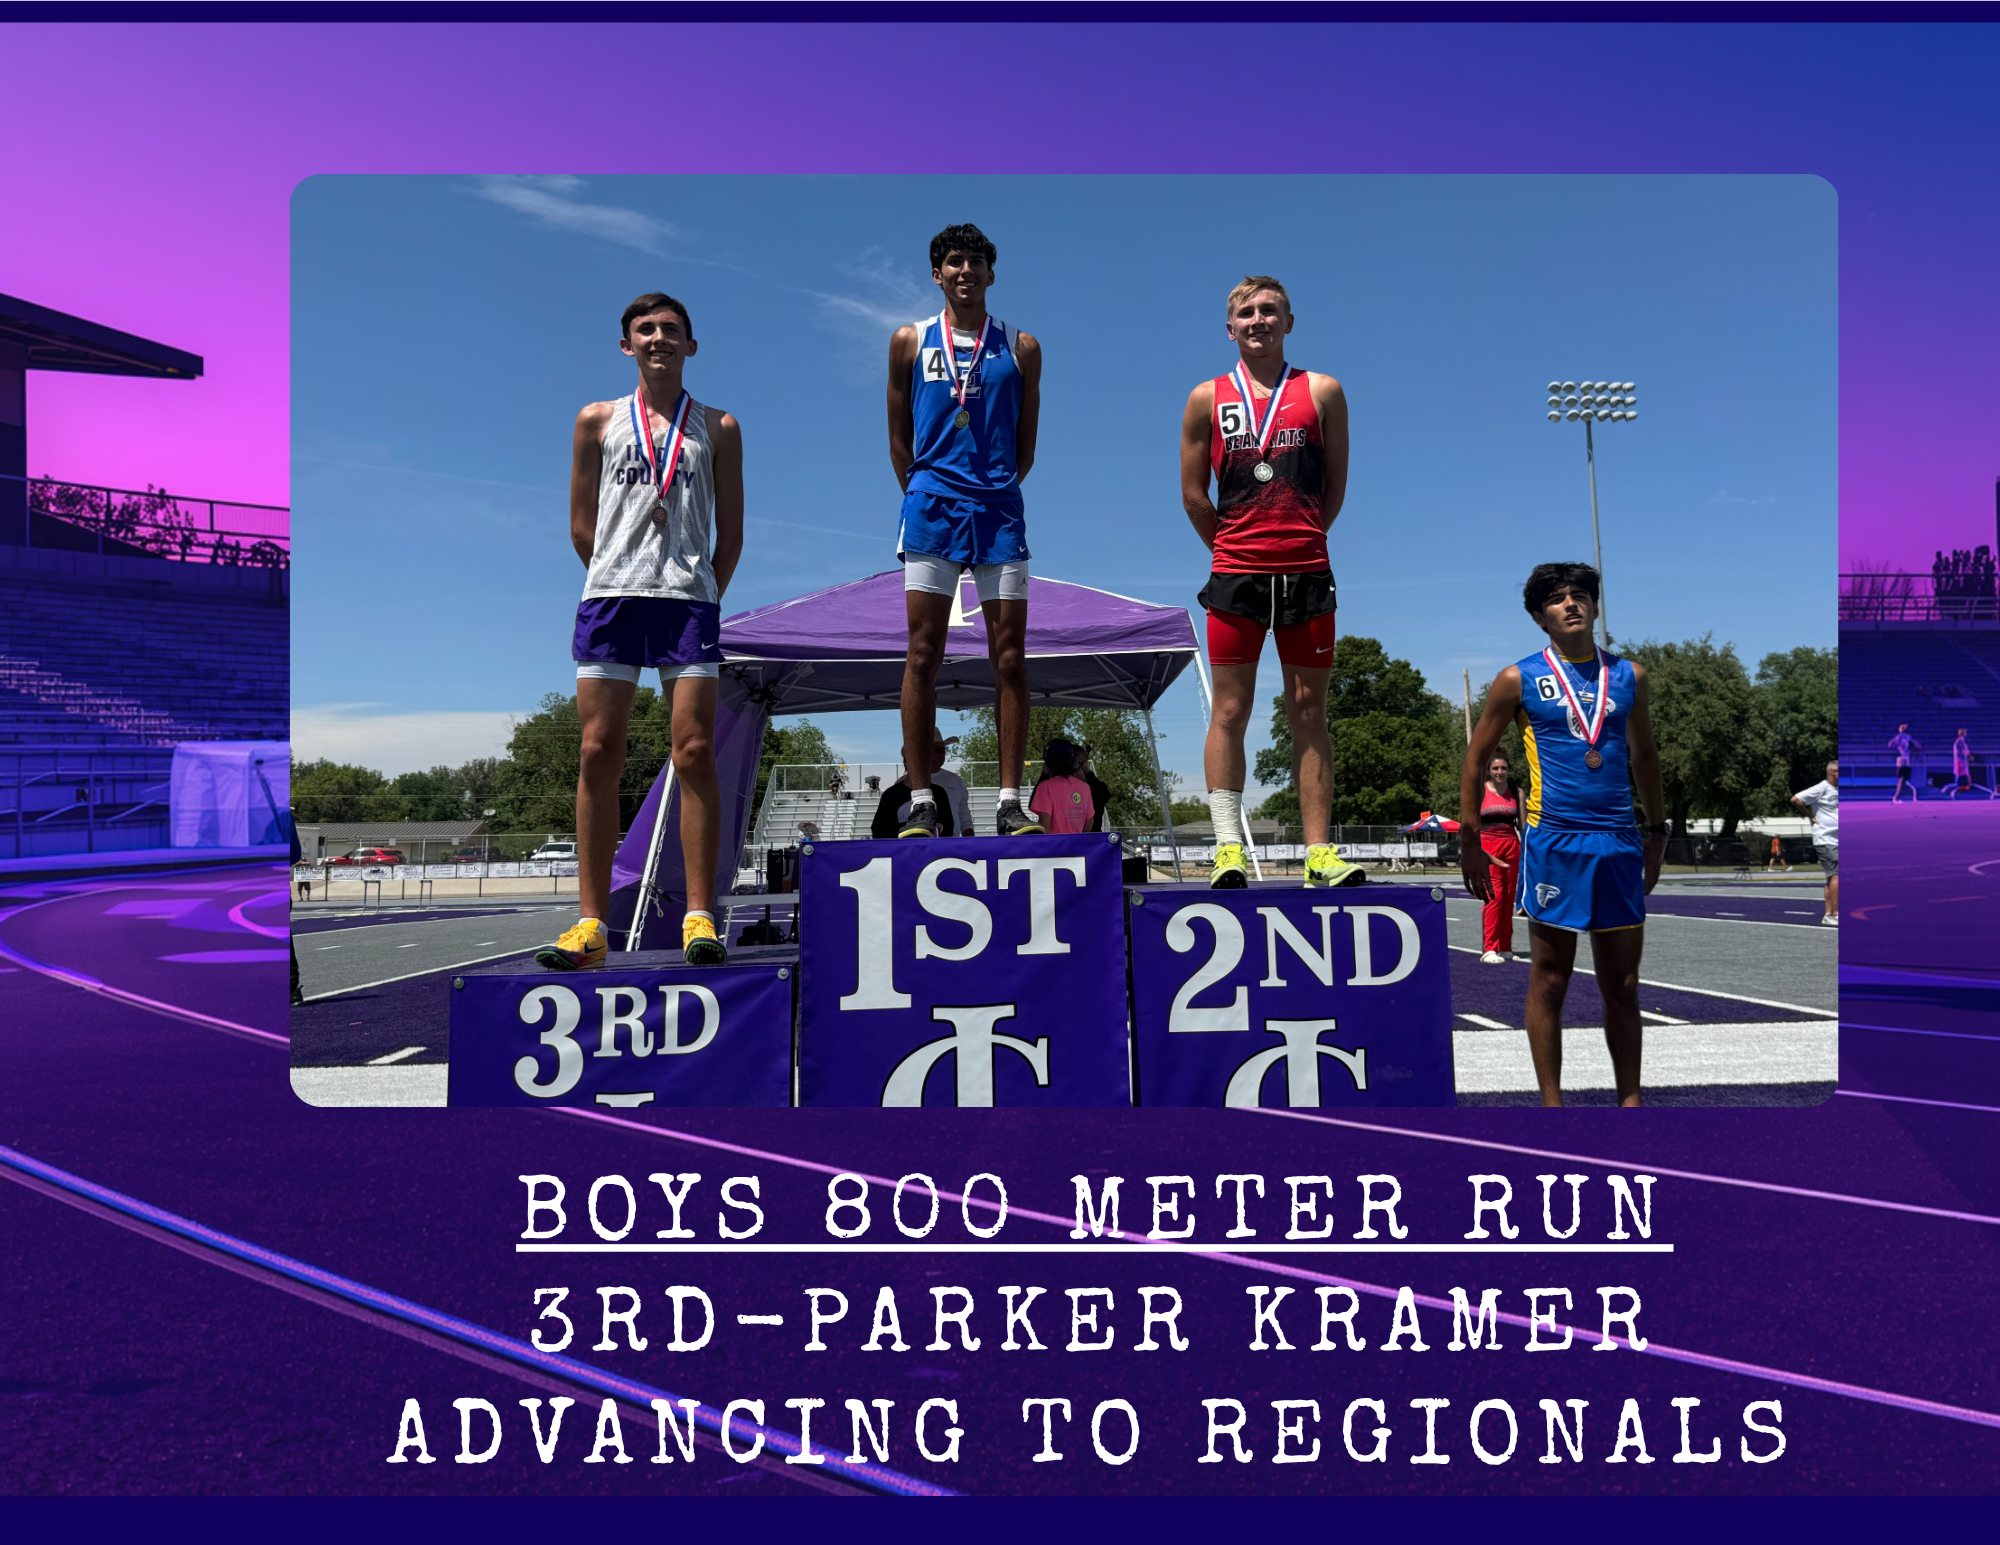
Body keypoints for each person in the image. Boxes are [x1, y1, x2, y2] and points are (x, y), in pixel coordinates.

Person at [537, 292, 744, 971]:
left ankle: (698, 915)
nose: (658, 338)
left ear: (691, 345)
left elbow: (732, 532)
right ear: (627, 345)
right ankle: (591, 923)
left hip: (686, 602)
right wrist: (618, 569)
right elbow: (579, 524)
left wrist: (699, 584)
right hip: (612, 598)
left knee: (693, 752)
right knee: (598, 749)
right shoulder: (596, 420)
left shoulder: (719, 425)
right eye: (645, 330)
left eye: (671, 330)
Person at [1460, 563, 1668, 1108]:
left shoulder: (1630, 676)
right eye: (1557, 599)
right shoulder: (1518, 678)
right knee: (1550, 980)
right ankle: (1553, 1108)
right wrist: (1469, 838)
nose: (1571, 603)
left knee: (1622, 986)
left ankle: (1631, 1105)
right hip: (1554, 842)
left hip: (1619, 841)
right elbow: (1477, 757)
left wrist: (1657, 828)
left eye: (1581, 595)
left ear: (1596, 607)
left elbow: (1645, 756)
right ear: (1539, 617)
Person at [1180, 275, 1363, 891]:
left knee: (1310, 712)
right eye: (1246, 313)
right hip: (1235, 574)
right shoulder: (1206, 397)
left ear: (1289, 321)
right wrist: (1235, 550)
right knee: (1230, 709)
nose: (1258, 320)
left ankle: (1318, 854)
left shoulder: (1323, 391)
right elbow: (1192, 495)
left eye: (1269, 310)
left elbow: (1333, 487)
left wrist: (1303, 537)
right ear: (1230, 328)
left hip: (1308, 571)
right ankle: (1228, 847)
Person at [889, 223, 1043, 839]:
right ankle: (921, 798)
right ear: (937, 274)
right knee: (923, 652)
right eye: (954, 262)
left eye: (976, 262)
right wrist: (925, 485)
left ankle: (1010, 801)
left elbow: (1026, 440)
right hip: (931, 504)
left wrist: (995, 481)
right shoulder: (910, 340)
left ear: (991, 274)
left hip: (1000, 507)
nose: (965, 271)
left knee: (1009, 657)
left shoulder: (1021, 346)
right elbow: (898, 435)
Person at [872, 729, 974, 840]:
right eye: (937, 749)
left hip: (944, 848)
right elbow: (880, 830)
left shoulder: (952, 784)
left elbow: (961, 819)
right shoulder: (893, 793)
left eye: (943, 749)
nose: (942, 754)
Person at [1475, 753, 1523, 963]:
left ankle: (1505, 947)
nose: (1499, 772)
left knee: (1509, 897)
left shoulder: (1517, 792)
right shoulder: (1480, 791)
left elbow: (1523, 824)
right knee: (1494, 896)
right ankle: (1489, 948)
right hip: (1488, 844)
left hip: (1512, 844)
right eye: (1495, 768)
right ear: (1489, 771)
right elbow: (1472, 823)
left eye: (1503, 768)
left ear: (1508, 770)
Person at [1792, 761, 1839, 925]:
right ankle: (1834, 914)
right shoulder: (1822, 787)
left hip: (1836, 838)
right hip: (1825, 838)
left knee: (1832, 877)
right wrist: (1810, 816)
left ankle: (1829, 914)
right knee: (1837, 875)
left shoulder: (1837, 790)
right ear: (1832, 772)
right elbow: (1796, 799)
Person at [1029, 737, 1095, 834]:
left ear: (1048, 763)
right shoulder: (1085, 787)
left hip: (1054, 847)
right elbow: (1088, 826)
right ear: (1073, 762)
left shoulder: (1045, 787)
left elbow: (1045, 828)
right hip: (1076, 847)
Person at [1076, 744, 1112, 834]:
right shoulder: (1060, 786)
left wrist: (1086, 773)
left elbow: (1102, 795)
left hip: (1090, 838)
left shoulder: (1097, 788)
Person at [1888, 723, 1921, 803]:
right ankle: (1897, 796)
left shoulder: (1904, 737)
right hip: (1903, 760)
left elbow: (1890, 744)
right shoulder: (1901, 737)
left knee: (1904, 778)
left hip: (1904, 760)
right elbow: (1916, 745)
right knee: (1902, 779)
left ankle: (1899, 796)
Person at [1950, 727, 1973, 797]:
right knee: (1961, 774)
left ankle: (1964, 786)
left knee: (1964, 774)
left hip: (1962, 761)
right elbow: (1963, 752)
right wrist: (1968, 756)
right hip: (1960, 761)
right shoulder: (1959, 742)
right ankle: (1959, 787)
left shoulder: (1961, 742)